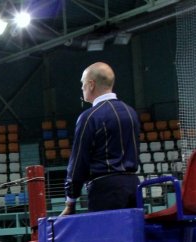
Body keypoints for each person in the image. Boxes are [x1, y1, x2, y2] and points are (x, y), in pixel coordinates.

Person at [60, 62, 140, 216]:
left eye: (83, 83)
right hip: (133, 186)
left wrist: (70, 199)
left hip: (105, 190)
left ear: (91, 85)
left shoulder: (89, 117)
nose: (82, 87)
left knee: (107, 232)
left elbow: (78, 161)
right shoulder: (131, 113)